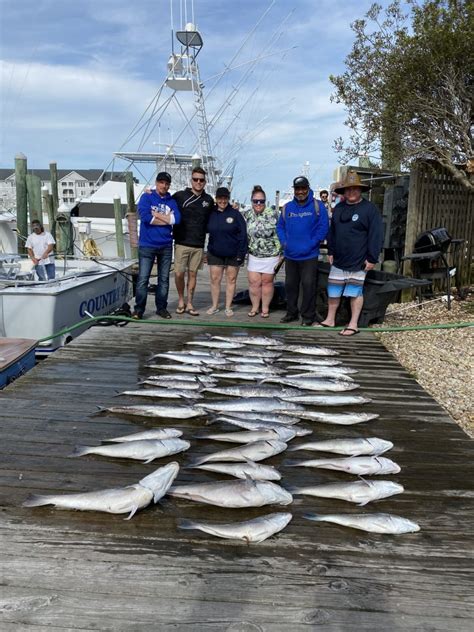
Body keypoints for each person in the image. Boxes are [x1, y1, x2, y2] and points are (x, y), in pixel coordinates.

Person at [318, 170, 383, 336]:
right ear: (344, 192)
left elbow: (376, 234)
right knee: (333, 291)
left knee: (355, 292)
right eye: (348, 189)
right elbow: (332, 232)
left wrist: (372, 257)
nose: (351, 192)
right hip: (339, 258)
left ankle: (353, 323)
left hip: (359, 259)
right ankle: (330, 319)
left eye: (354, 189)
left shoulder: (370, 209)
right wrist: (331, 251)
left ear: (360, 190)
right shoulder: (338, 208)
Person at [276, 175, 329, 326]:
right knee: (290, 286)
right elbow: (280, 227)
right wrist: (284, 242)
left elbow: (323, 227)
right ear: (294, 190)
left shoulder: (318, 206)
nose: (300, 192)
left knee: (308, 286)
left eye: (303, 188)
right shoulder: (287, 207)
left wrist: (313, 243)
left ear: (308, 188)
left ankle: (307, 316)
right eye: (297, 189)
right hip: (291, 255)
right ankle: (291, 313)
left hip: (309, 255)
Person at [132, 172, 181, 320]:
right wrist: (167, 219)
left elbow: (177, 219)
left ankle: (161, 308)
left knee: (164, 279)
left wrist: (158, 215)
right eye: (161, 182)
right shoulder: (147, 197)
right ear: (156, 182)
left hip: (166, 246)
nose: (164, 186)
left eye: (166, 183)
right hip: (147, 245)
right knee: (143, 279)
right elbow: (146, 217)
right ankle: (139, 310)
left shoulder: (171, 201)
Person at [172, 167, 215, 316]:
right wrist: (149, 193)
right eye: (195, 179)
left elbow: (216, 214)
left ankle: (189, 302)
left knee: (193, 275)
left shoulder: (209, 200)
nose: (198, 182)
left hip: (198, 244)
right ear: (191, 180)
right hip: (181, 242)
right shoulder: (179, 196)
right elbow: (163, 200)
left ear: (205, 182)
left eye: (201, 180)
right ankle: (180, 300)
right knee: (178, 273)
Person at [206, 186, 248, 317]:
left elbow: (243, 235)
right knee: (215, 279)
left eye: (225, 198)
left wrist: (241, 254)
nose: (222, 201)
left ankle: (228, 307)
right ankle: (214, 306)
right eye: (220, 198)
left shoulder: (235, 214)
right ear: (216, 199)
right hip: (215, 252)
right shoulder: (210, 213)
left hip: (233, 253)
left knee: (231, 279)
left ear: (228, 199)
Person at [242, 185, 281, 318]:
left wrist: (282, 252)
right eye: (255, 201)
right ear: (252, 201)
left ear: (265, 201)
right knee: (254, 283)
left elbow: (282, 232)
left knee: (267, 282)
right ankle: (254, 307)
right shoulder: (247, 214)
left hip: (271, 255)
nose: (258, 204)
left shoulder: (274, 214)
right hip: (254, 255)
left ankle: (265, 308)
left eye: (261, 201)